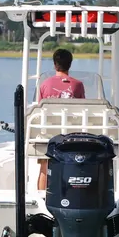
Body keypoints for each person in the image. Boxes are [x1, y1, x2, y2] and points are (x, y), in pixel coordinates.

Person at [37, 49, 85, 190]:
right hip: (70, 134)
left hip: (49, 133)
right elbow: (82, 109)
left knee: (44, 167)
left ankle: (41, 195)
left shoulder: (45, 84)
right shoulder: (77, 85)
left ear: (54, 64)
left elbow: (40, 110)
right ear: (70, 64)